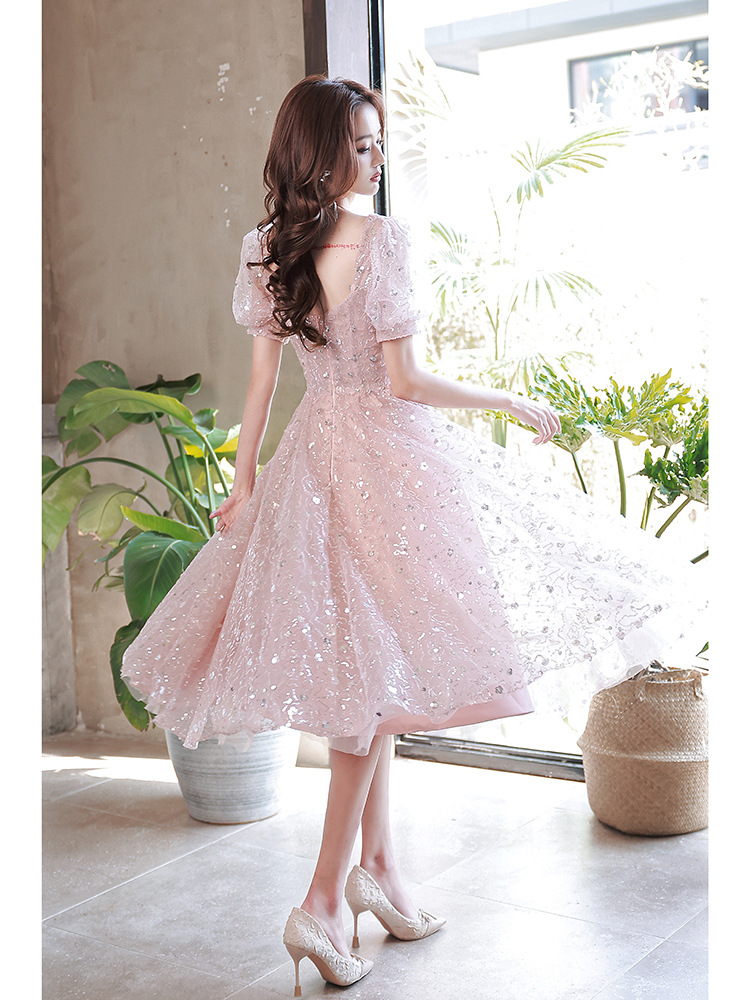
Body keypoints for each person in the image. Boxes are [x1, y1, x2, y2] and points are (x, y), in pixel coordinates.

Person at [121, 75, 705, 996]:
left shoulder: (266, 246)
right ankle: (322, 900)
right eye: (360, 145)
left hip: (315, 462)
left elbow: (263, 387)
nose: (377, 158)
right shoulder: (382, 241)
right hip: (387, 465)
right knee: (374, 681)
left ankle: (381, 870)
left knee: (376, 672)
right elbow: (404, 383)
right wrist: (505, 399)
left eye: (379, 142)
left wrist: (246, 483)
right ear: (319, 152)